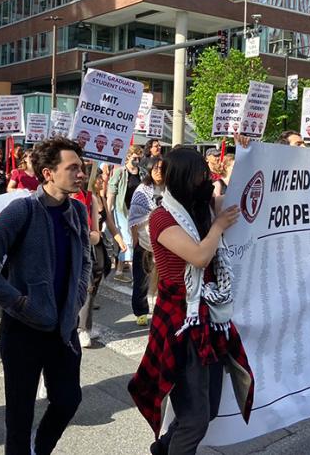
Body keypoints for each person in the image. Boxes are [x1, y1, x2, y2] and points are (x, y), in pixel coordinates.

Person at [128, 148, 254, 455]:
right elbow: (198, 256)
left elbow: (248, 199)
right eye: (201, 174)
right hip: (181, 323)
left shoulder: (203, 206)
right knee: (195, 420)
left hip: (207, 318)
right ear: (186, 178)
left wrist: (248, 151)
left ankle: (162, 450)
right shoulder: (161, 217)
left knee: (206, 410)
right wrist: (218, 227)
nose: (208, 180)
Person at [0, 137, 90, 455]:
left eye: (82, 167)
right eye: (73, 168)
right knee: (19, 417)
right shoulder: (21, 210)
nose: (82, 174)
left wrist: (78, 297)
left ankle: (42, 449)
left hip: (63, 328)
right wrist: (21, 303)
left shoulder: (78, 211)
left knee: (68, 400)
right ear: (48, 173)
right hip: (23, 331)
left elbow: (85, 261)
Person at [75, 164, 124, 348]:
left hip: (92, 247)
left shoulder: (93, 199)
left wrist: (117, 239)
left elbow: (97, 230)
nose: (102, 180)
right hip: (71, 250)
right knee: (85, 286)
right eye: (98, 177)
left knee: (93, 282)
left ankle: (84, 324)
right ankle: (80, 328)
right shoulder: (66, 197)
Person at [128, 156, 164, 326]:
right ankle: (140, 310)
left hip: (166, 240)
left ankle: (161, 308)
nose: (159, 171)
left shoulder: (169, 189)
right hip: (144, 240)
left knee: (164, 278)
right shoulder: (142, 190)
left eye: (162, 168)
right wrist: (135, 241)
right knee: (141, 277)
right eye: (155, 168)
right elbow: (134, 218)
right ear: (149, 170)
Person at [108, 145, 143, 283]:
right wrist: (108, 211)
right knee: (127, 240)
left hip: (137, 211)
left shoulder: (142, 172)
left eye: (139, 157)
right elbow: (112, 191)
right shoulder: (121, 172)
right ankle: (135, 274)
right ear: (128, 157)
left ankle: (119, 270)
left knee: (133, 239)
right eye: (135, 157)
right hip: (121, 209)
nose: (137, 160)